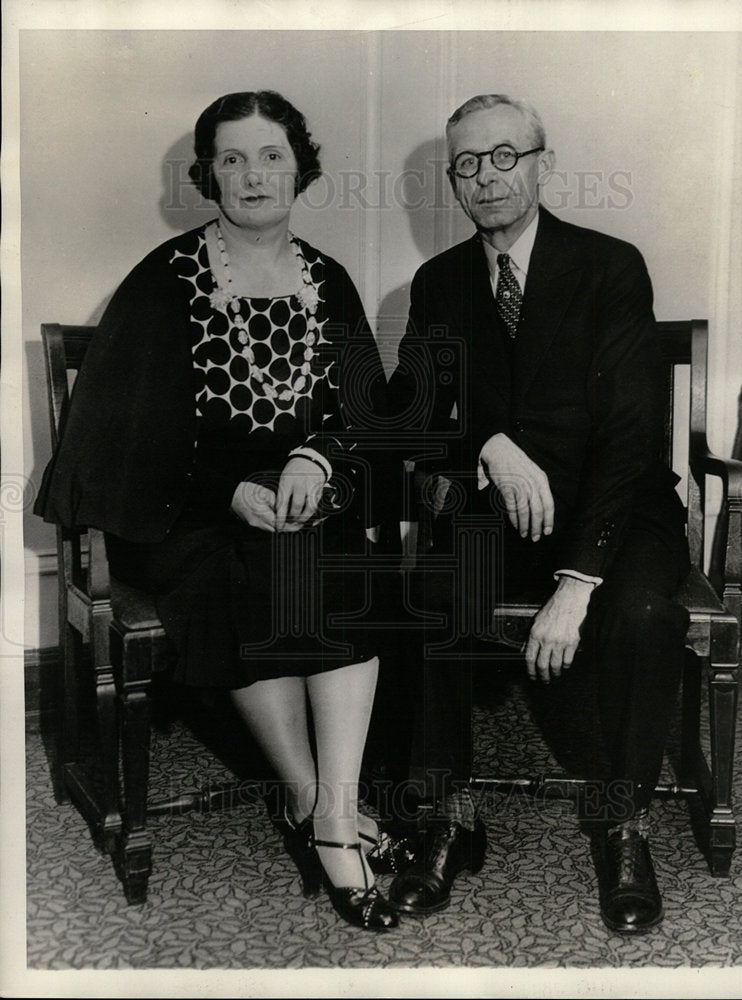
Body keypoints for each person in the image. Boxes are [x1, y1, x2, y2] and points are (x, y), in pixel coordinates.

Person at [34, 89, 417, 931]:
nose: (253, 175)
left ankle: (329, 806)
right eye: (233, 159)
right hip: (188, 513)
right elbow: (123, 442)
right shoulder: (166, 280)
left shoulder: (329, 279)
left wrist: (319, 456)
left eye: (271, 156)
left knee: (338, 564)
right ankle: (321, 811)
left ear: (300, 168)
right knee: (248, 572)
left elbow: (367, 417)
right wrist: (227, 492)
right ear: (207, 173)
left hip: (305, 499)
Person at [386, 94, 691, 934]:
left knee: (636, 613)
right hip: (500, 511)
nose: (485, 179)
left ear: (542, 163)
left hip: (616, 511)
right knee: (439, 594)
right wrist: (487, 441)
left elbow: (632, 435)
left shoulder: (609, 266)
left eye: (503, 157)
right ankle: (450, 817)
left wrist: (577, 578)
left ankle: (622, 822)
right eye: (466, 164)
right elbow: (419, 409)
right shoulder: (439, 281)